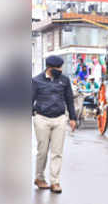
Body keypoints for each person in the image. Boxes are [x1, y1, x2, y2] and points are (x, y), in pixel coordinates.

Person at [32, 55, 77, 193]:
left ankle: (55, 182)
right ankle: (39, 178)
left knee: (57, 152)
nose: (60, 70)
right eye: (58, 68)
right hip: (42, 119)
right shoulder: (36, 81)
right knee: (43, 151)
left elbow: (69, 99)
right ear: (49, 68)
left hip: (59, 119)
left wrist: (73, 118)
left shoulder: (64, 80)